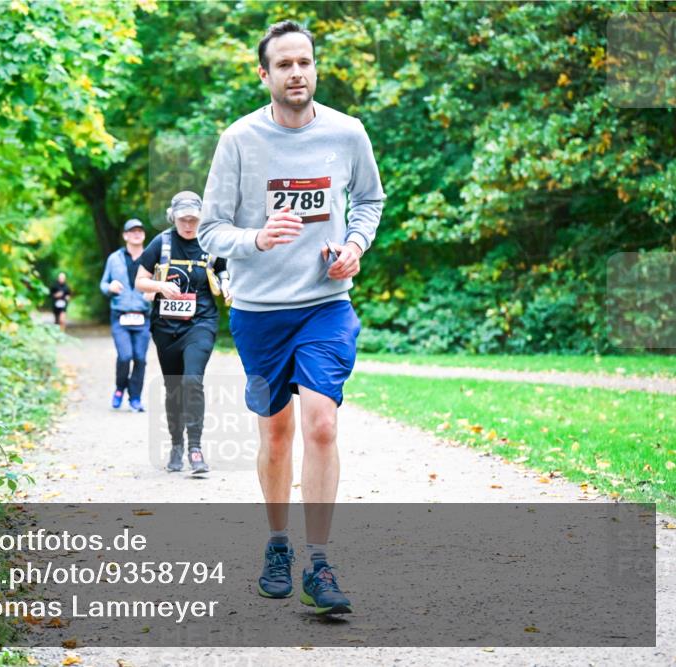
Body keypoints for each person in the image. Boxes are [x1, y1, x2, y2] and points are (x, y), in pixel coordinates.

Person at [197, 20, 386, 614]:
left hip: (326, 305)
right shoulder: (239, 140)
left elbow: (371, 201)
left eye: (304, 61)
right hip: (258, 313)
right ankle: (277, 545)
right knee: (276, 434)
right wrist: (257, 238)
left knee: (322, 425)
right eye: (284, 64)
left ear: (315, 67)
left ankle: (321, 563)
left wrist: (353, 246)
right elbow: (210, 230)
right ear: (265, 74)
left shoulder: (346, 133)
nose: (296, 72)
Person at [135, 191, 230, 475]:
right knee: (174, 387)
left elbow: (225, 272)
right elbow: (140, 281)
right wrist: (160, 287)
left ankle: (195, 448)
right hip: (165, 327)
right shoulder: (161, 243)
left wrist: (228, 287)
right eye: (183, 219)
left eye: (194, 219)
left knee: (192, 381)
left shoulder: (211, 243)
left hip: (200, 323)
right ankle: (176, 445)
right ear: (173, 218)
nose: (189, 224)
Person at [99, 218, 153, 412]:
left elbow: (161, 283)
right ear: (125, 235)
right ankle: (120, 388)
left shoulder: (151, 257)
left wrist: (154, 291)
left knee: (140, 358)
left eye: (140, 230)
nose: (136, 234)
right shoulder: (114, 258)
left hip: (142, 316)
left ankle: (135, 398)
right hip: (120, 316)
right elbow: (103, 284)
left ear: (144, 235)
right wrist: (110, 287)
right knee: (125, 356)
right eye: (132, 231)